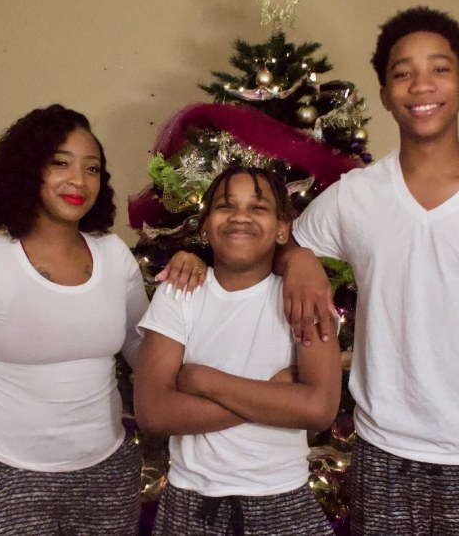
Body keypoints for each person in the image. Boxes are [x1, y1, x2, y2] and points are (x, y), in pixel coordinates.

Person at [280, 6, 459, 535]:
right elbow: (287, 244)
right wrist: (297, 258)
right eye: (403, 73)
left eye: (440, 69)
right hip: (387, 457)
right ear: (384, 94)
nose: (421, 84)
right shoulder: (355, 197)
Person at [0, 104, 205, 535]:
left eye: (92, 168)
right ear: (27, 170)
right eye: (61, 163)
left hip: (108, 474)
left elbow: (142, 351)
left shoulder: (113, 254)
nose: (79, 180)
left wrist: (188, 266)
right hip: (9, 476)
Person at [133, 165, 341, 536]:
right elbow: (154, 412)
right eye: (226, 206)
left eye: (258, 208)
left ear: (282, 228)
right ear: (205, 225)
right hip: (192, 503)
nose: (240, 217)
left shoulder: (303, 296)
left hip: (283, 499)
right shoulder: (179, 294)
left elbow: (318, 408)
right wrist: (277, 397)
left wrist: (203, 379)